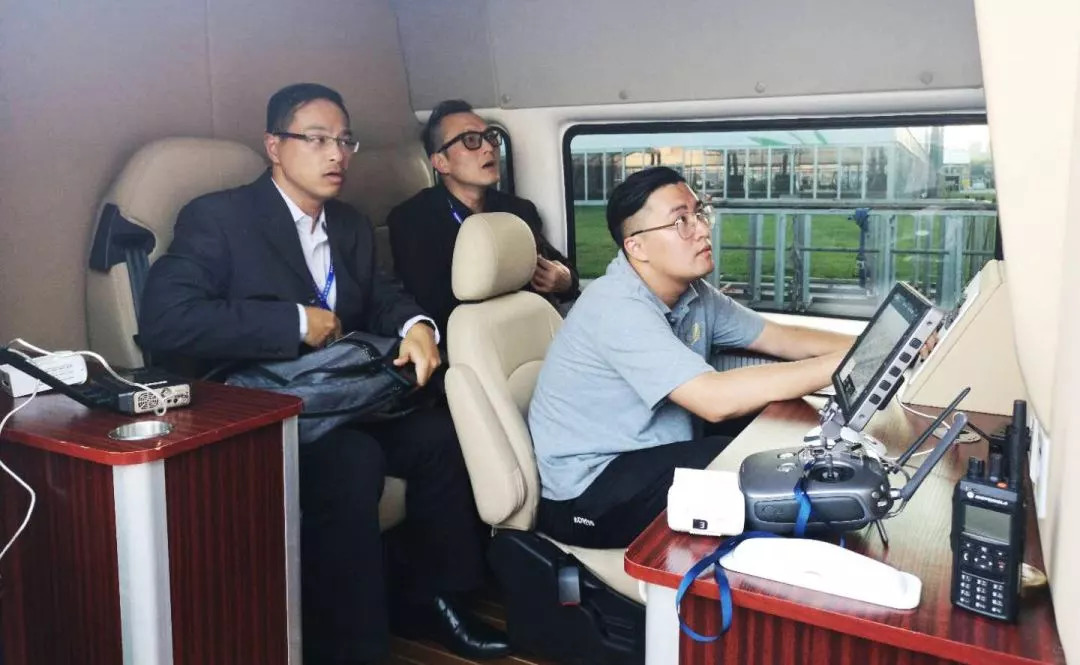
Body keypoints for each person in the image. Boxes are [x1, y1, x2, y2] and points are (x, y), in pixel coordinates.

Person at [138, 83, 508, 665]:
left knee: (441, 433)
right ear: (274, 146)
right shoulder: (220, 217)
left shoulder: (349, 224)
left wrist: (416, 325)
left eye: (344, 140)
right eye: (316, 139)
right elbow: (166, 320)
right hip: (269, 406)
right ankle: (352, 648)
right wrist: (291, 322)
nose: (336, 154)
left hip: (343, 393)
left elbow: (382, 295)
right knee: (352, 462)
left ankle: (437, 600)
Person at [528, 166, 854, 549]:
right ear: (637, 247)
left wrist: (874, 346)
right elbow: (713, 400)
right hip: (586, 493)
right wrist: (845, 367)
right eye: (680, 221)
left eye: (699, 213)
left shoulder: (694, 294)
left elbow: (783, 338)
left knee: (770, 441)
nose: (701, 229)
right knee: (743, 471)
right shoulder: (615, 306)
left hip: (648, 456)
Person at [387, 99, 578, 335]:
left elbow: (559, 267)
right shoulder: (412, 220)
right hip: (463, 340)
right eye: (470, 140)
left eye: (490, 136)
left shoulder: (519, 211)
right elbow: (428, 304)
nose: (489, 147)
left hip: (531, 330)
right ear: (441, 162)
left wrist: (565, 281)